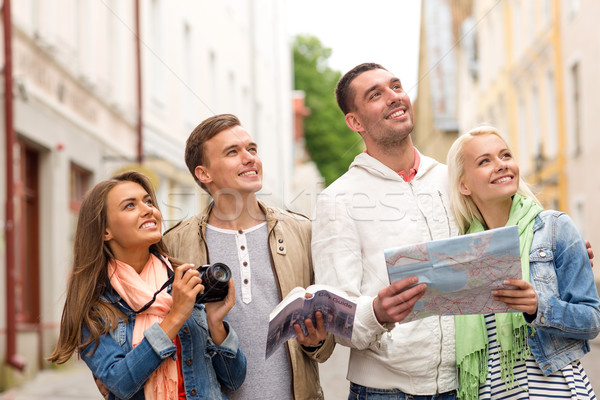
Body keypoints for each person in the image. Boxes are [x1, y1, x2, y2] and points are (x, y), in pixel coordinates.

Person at [162, 114, 336, 400]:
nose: (249, 158)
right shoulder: (175, 244)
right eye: (233, 152)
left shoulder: (302, 231)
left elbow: (326, 342)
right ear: (204, 174)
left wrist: (317, 340)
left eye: (251, 149)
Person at [311, 62, 458, 399]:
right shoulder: (337, 199)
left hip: (465, 383)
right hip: (384, 392)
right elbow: (337, 313)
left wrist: (554, 248)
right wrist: (376, 313)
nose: (394, 97)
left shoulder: (451, 180)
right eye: (376, 95)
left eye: (396, 86)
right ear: (355, 121)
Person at [48, 171, 246, 399]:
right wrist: (175, 317)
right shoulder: (95, 306)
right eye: (130, 206)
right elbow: (120, 383)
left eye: (148, 201)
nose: (147, 209)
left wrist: (215, 323)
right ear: (105, 230)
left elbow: (234, 379)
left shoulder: (185, 280)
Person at [447, 125, 600, 399]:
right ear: (464, 184)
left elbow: (591, 321)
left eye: (505, 155)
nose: (501, 165)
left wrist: (538, 307)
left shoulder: (555, 228)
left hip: (554, 391)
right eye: (484, 161)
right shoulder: (461, 253)